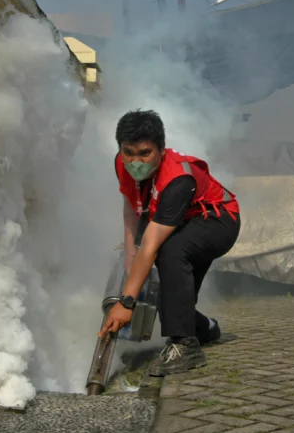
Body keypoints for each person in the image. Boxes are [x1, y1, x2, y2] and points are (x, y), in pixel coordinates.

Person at [98, 110, 241, 376]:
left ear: (161, 149)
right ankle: (206, 329)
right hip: (185, 222)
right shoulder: (122, 163)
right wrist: (129, 254)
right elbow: (132, 206)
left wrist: (126, 302)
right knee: (169, 297)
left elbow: (151, 245)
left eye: (145, 153)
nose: (135, 161)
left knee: (169, 252)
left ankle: (185, 347)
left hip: (219, 221)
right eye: (128, 152)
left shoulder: (177, 180)